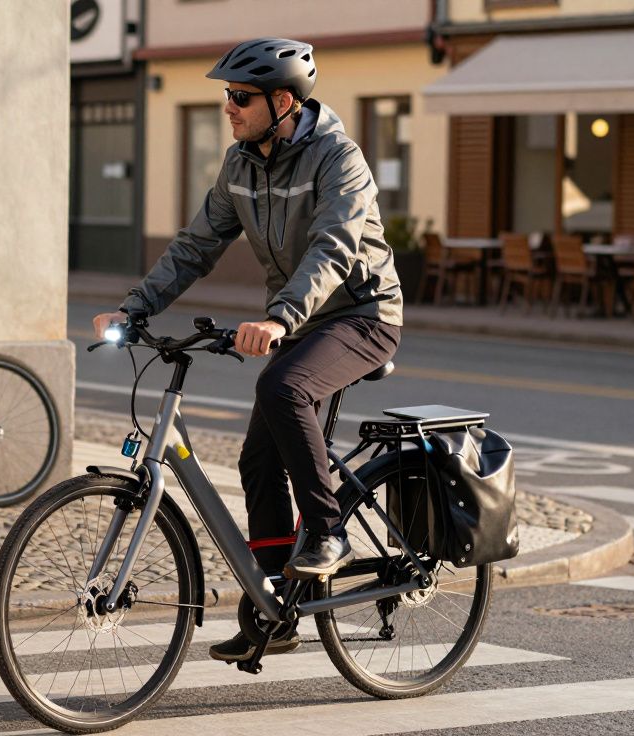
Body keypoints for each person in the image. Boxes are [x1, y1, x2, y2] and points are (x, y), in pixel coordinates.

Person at [92, 38, 403, 663]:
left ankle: (326, 531)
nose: (228, 108)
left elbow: (333, 248)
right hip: (299, 320)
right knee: (257, 463)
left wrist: (280, 317)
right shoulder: (240, 164)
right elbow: (194, 247)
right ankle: (275, 605)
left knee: (281, 387)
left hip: (362, 316)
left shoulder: (339, 158)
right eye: (226, 96)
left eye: (240, 97)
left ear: (282, 101)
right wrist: (135, 308)